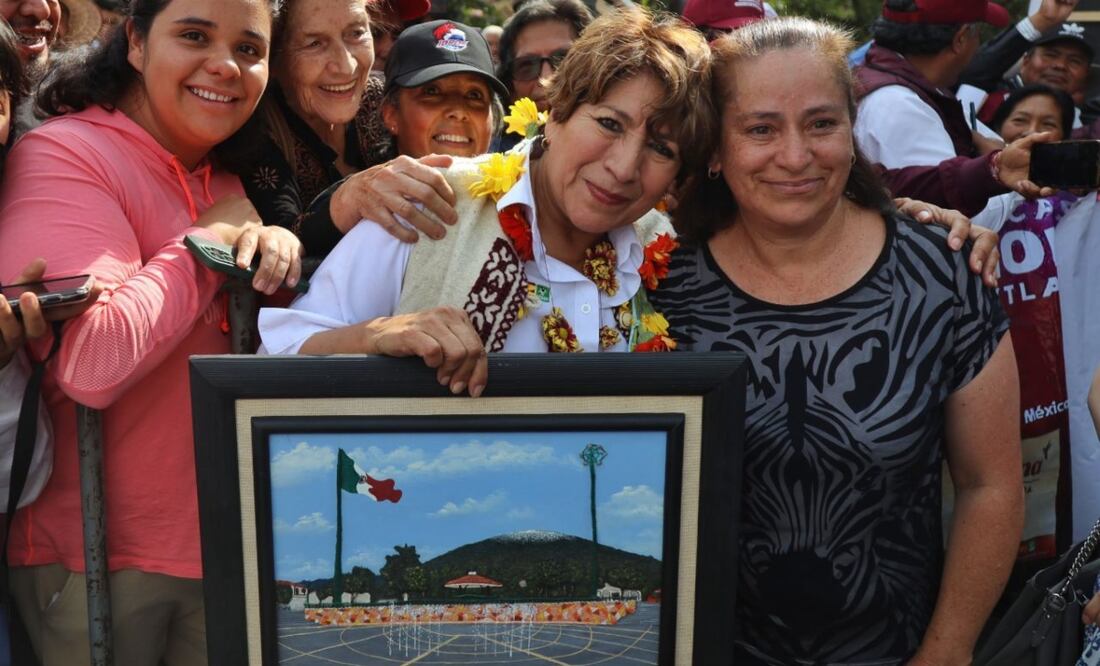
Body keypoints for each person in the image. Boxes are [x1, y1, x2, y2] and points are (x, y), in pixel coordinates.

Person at [652, 16, 1023, 664]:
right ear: (715, 148)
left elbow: (990, 485)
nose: (796, 156)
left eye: (821, 124)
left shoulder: (943, 274)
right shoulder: (655, 284)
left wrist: (949, 650)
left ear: (853, 132)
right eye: (761, 128)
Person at [0, 0, 303, 662]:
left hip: (230, 555)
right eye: (194, 35)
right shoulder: (64, 152)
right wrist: (210, 241)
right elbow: (93, 364)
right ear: (134, 42)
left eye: (250, 50)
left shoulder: (230, 175)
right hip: (94, 565)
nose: (224, 65)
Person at [259, 8, 716, 397]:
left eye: (662, 149)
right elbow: (272, 359)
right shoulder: (428, 202)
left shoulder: (672, 258)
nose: (623, 167)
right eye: (609, 124)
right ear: (555, 114)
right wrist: (373, 337)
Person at [238, 0, 466, 259]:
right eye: (315, 43)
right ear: (274, 58)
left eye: (356, 33)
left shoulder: (386, 100)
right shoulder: (256, 129)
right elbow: (281, 240)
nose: (346, 66)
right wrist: (346, 201)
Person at [379, 20, 506, 161]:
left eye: (474, 95)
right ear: (391, 114)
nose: (459, 111)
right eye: (432, 91)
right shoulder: (358, 183)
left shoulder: (519, 182)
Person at [959, 0, 1086, 123]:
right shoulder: (992, 98)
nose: (1060, 65)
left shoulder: (1087, 121)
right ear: (1025, 61)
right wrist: (1041, 20)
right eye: (1050, 55)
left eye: (1074, 61)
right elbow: (974, 72)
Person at [493, 0, 591, 150]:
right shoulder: (490, 162)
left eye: (563, 59)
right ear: (509, 86)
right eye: (527, 66)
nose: (546, 79)